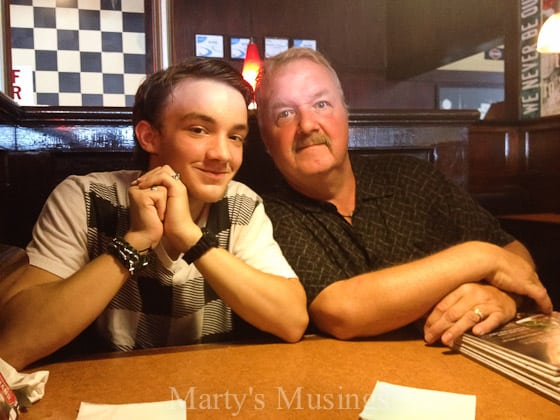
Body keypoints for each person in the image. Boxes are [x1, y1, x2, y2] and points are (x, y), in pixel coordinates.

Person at [0, 58, 308, 370]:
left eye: (235, 137)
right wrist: (135, 242)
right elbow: (15, 343)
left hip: (211, 395)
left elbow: (291, 321)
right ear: (150, 137)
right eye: (199, 130)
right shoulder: (86, 198)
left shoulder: (241, 204)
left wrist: (191, 238)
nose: (222, 155)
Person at [254, 47, 552, 347]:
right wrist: (480, 258)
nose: (307, 125)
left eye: (321, 104)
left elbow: (510, 250)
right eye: (285, 114)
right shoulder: (266, 216)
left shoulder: (411, 177)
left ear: (346, 116)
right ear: (267, 139)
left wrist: (504, 296)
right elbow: (341, 311)